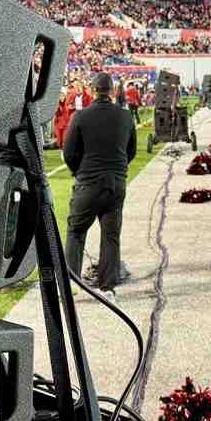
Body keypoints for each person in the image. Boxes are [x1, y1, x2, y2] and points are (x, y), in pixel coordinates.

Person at [62, 72, 138, 299]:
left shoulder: (81, 116)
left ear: (92, 91)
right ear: (112, 91)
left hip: (88, 182)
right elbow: (131, 151)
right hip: (116, 184)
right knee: (111, 236)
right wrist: (117, 169)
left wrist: (80, 172)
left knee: (76, 232)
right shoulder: (126, 116)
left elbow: (68, 152)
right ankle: (108, 288)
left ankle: (72, 286)